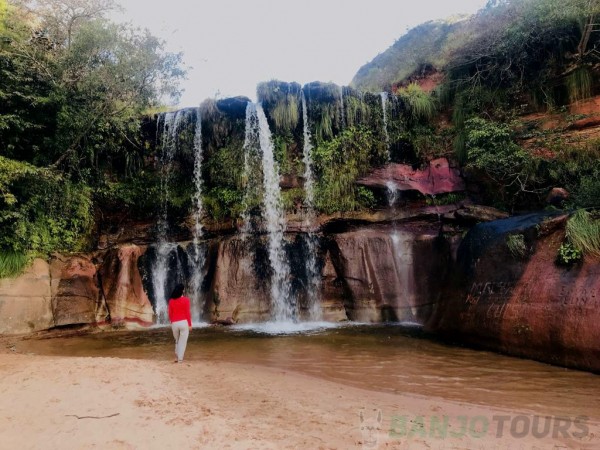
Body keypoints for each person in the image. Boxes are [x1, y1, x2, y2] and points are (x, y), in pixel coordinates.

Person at [167, 283, 192, 363]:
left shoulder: (171, 301)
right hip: (184, 323)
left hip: (174, 323)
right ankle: (180, 359)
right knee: (183, 342)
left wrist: (172, 322)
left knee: (177, 341)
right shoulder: (186, 300)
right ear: (182, 291)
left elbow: (170, 313)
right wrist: (190, 324)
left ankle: (177, 357)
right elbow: (187, 313)